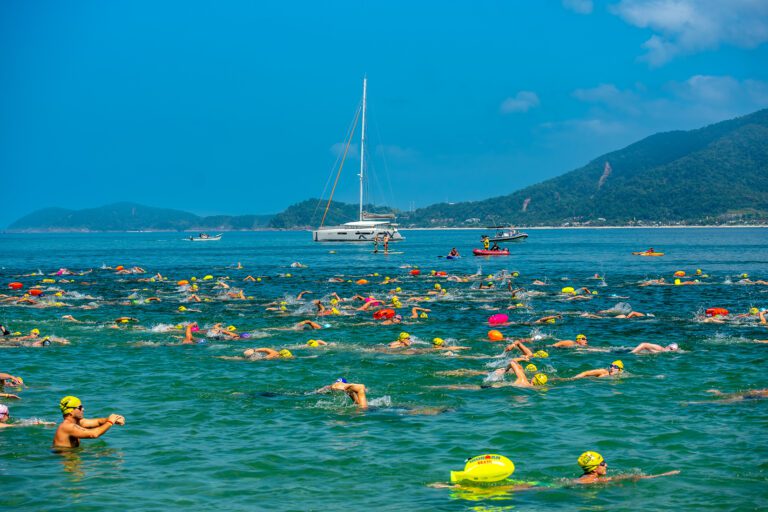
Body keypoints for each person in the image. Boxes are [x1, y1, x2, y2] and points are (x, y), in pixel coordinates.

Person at [52, 396, 125, 448]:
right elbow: (93, 434)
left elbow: (98, 422)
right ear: (71, 411)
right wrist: (110, 422)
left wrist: (115, 419)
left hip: (72, 455)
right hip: (66, 458)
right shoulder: (67, 426)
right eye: (80, 407)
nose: (83, 409)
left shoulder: (76, 422)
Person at [576, 451, 679, 484]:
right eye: (602, 463)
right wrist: (663, 475)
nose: (606, 465)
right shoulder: (594, 480)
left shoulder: (583, 477)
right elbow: (623, 477)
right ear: (594, 469)